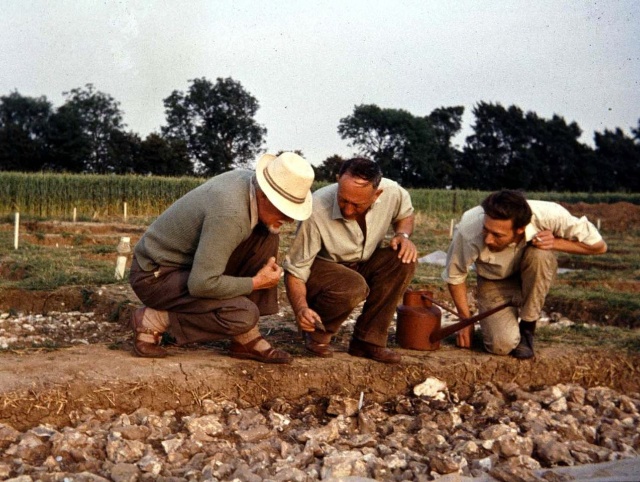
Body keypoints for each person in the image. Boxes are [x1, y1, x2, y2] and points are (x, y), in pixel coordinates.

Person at [128, 152, 315, 364]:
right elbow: (202, 284)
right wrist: (255, 283)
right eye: (284, 208)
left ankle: (245, 337)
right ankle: (154, 319)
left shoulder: (248, 184)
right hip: (155, 276)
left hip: (187, 268)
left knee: (267, 235)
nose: (290, 218)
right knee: (242, 315)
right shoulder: (230, 215)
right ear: (264, 195)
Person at [442, 189, 607, 359]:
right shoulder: (469, 228)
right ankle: (508, 327)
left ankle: (528, 328)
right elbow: (455, 275)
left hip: (532, 272)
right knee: (501, 346)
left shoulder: (550, 215)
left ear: (520, 229)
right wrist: (465, 320)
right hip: (494, 280)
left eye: (497, 235)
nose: (488, 240)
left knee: (540, 255)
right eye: (486, 229)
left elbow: (599, 246)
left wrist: (556, 242)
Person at [283, 157, 418, 364]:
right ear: (338, 181)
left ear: (377, 194)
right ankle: (318, 333)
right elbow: (296, 269)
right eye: (343, 200)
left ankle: (368, 341)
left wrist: (402, 235)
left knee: (403, 259)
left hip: (363, 262)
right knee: (352, 284)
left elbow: (406, 215)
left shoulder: (393, 192)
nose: (347, 210)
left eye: (357, 205)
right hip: (324, 270)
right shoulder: (316, 208)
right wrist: (301, 308)